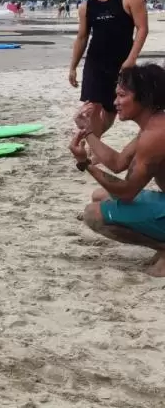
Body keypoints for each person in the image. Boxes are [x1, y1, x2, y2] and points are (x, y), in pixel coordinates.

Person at [70, 64, 165, 276]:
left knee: (93, 214)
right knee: (100, 196)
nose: (115, 102)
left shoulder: (156, 135)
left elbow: (127, 192)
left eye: (122, 95)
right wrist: (87, 132)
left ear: (145, 97)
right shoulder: (155, 124)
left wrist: (85, 164)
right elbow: (118, 162)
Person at [69, 0, 149, 138]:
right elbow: (82, 37)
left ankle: (94, 143)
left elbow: (142, 28)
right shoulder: (86, 7)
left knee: (111, 111)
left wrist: (131, 59)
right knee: (93, 107)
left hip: (121, 63)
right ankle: (93, 149)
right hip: (95, 63)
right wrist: (73, 66)